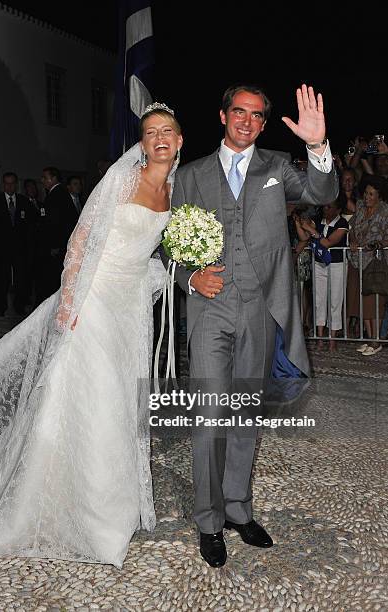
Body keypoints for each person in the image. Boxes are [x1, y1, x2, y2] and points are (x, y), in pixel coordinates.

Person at [0, 103, 181, 568]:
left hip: (130, 309)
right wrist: (69, 303)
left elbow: (146, 253)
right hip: (94, 305)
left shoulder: (176, 191)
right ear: (141, 143)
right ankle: (97, 521)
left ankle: (111, 504)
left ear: (178, 141)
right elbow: (81, 239)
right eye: (150, 131)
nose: (159, 137)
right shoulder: (122, 181)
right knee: (95, 398)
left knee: (120, 399)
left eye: (167, 131)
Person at [164, 84, 338, 568]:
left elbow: (323, 192)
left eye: (257, 116)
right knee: (209, 418)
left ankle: (238, 509)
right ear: (223, 116)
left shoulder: (277, 167)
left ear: (264, 124)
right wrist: (190, 276)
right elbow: (167, 245)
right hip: (210, 310)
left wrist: (317, 146)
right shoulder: (191, 175)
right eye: (238, 112)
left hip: (262, 309)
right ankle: (208, 520)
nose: (247, 121)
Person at [296, 201, 349, 351]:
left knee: (335, 301)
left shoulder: (342, 222)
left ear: (338, 209)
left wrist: (312, 231)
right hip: (319, 264)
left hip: (337, 264)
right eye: (325, 206)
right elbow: (304, 236)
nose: (326, 209)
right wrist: (299, 223)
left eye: (329, 206)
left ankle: (332, 339)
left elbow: (328, 242)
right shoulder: (318, 221)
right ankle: (320, 338)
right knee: (319, 300)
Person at [346, 176, 388, 356]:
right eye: (366, 193)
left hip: (376, 261)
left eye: (371, 194)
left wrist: (379, 243)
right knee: (363, 302)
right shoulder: (361, 209)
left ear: (379, 196)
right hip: (358, 260)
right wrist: (354, 241)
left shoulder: (385, 211)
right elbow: (352, 229)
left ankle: (376, 340)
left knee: (375, 302)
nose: (367, 197)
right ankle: (370, 339)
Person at [0, 173, 36, 316]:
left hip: (20, 248)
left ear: (16, 184)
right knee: (1, 279)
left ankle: (19, 306)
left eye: (12, 183)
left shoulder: (23, 201)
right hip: (2, 248)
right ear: (3, 184)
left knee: (21, 279)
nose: (9, 186)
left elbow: (29, 225)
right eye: (7, 183)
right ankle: (0, 308)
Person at [41, 167, 80, 296]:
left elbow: (56, 222)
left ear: (53, 179)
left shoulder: (56, 194)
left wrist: (54, 245)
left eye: (45, 177)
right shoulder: (62, 193)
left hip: (57, 246)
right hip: (62, 243)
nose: (42, 180)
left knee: (53, 278)